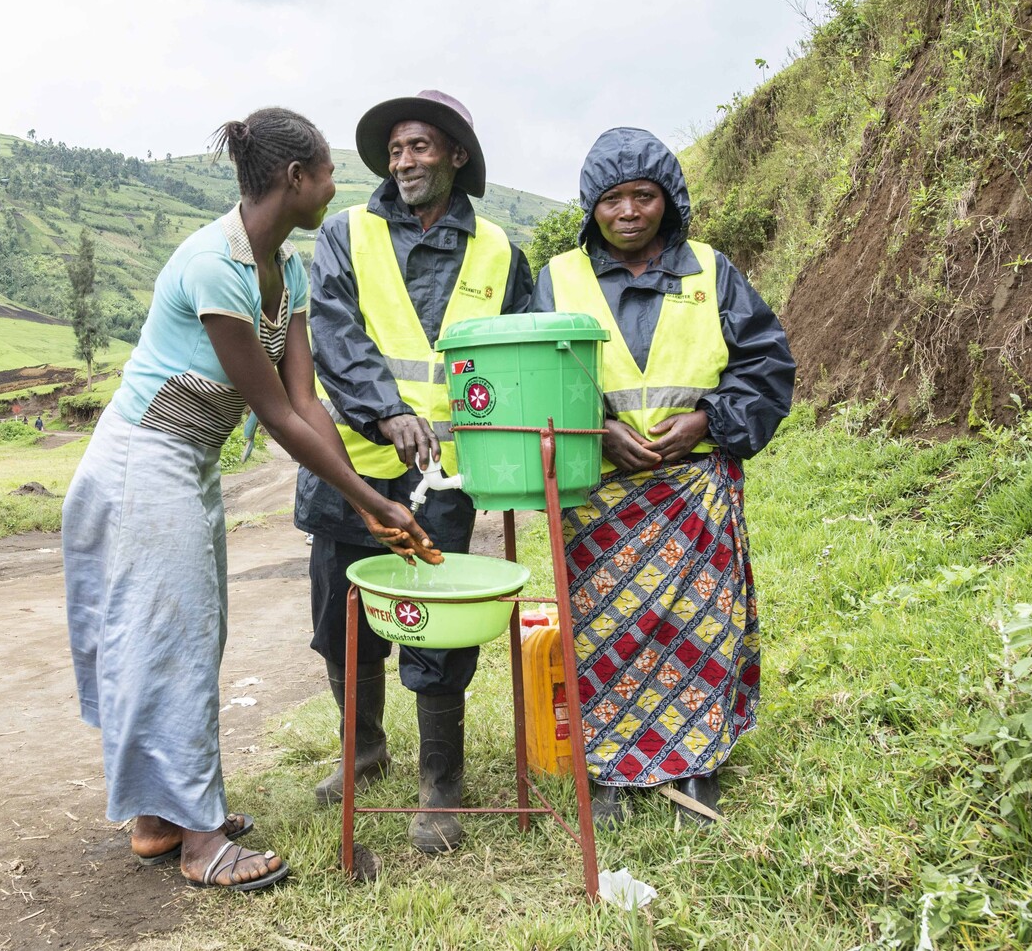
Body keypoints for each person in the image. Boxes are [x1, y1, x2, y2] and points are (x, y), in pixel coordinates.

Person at [61, 107, 441, 893]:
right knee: (174, 632)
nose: (338, 184)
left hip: (187, 461)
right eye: (329, 171)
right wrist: (370, 496)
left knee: (195, 629)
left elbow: (309, 407)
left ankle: (158, 816)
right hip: (141, 460)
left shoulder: (288, 269)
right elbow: (273, 415)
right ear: (295, 179)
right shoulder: (214, 266)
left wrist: (371, 503)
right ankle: (198, 838)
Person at [532, 127, 794, 825]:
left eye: (642, 196)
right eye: (611, 199)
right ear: (592, 208)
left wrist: (708, 418)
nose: (627, 212)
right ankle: (614, 766)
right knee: (605, 630)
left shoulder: (712, 271)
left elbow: (764, 364)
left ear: (667, 198)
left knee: (698, 628)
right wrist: (597, 430)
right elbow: (533, 379)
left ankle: (694, 763)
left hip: (694, 492)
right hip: (601, 499)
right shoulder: (558, 280)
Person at [296, 90, 534, 854]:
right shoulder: (344, 236)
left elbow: (513, 360)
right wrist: (383, 408)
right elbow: (333, 331)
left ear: (456, 155)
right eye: (396, 149)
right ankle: (362, 750)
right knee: (343, 622)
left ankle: (442, 787)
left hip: (448, 480)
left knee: (438, 628)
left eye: (421, 147)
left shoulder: (499, 253)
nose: (405, 161)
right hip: (353, 469)